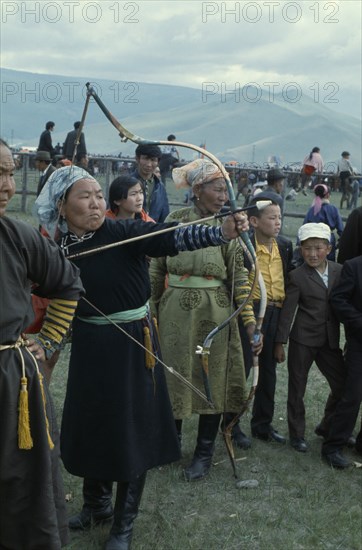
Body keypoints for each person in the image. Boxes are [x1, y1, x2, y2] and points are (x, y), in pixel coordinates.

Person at [34, 165, 248, 549]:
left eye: (100, 195)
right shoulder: (56, 245)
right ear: (62, 206)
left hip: (133, 345)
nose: (97, 202)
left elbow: (168, 237)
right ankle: (96, 504)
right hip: (89, 345)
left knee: (129, 430)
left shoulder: (119, 231)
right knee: (92, 424)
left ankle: (123, 525)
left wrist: (220, 231)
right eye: (86, 196)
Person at [149, 159, 261, 481]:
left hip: (215, 315)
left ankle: (203, 454)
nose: (224, 195)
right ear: (197, 191)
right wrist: (152, 311)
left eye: (226, 189)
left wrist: (251, 324)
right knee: (175, 377)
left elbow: (241, 278)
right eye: (217, 188)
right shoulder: (175, 219)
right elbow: (157, 268)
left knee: (211, 381)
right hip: (173, 315)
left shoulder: (230, 225)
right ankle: (168, 446)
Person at [0, 139, 84, 549]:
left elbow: (68, 284)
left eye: (11, 173)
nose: (8, 185)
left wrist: (48, 341)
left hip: (10, 385)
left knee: (19, 487)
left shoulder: (17, 236)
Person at [274, 223, 347, 453]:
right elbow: (287, 312)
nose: (313, 254)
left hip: (330, 341)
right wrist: (280, 342)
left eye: (318, 248)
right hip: (303, 340)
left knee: (342, 385)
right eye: (307, 249)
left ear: (329, 247)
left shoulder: (339, 271)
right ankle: (297, 434)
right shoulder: (297, 276)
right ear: (300, 250)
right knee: (297, 387)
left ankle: (327, 426)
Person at [238, 197, 294, 444]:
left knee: (268, 372)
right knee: (244, 368)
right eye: (272, 217)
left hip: (275, 312)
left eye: (280, 217)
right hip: (251, 313)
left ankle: (262, 424)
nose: (278, 222)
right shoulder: (244, 246)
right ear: (254, 221)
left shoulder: (284, 245)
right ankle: (232, 423)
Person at [321, 254, 362, 468]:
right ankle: (332, 446)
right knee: (352, 395)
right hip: (359, 343)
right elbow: (339, 299)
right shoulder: (354, 266)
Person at [302, 183, 344, 261]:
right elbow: (341, 229)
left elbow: (304, 227)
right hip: (328, 239)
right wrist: (340, 241)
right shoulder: (333, 209)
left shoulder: (312, 209)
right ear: (327, 195)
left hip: (312, 239)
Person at [131, 144, 169, 222]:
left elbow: (165, 216)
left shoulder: (160, 187)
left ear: (158, 162)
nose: (149, 164)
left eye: (153, 160)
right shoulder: (125, 184)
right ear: (137, 159)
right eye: (145, 159)